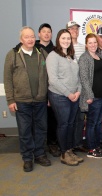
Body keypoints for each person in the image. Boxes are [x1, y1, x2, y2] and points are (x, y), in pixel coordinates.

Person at [4, 26, 51, 172]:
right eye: (26, 37)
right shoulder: (12, 54)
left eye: (32, 36)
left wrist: (48, 96)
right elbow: (7, 79)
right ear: (21, 39)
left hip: (40, 100)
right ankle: (27, 158)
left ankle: (39, 154)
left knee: (41, 129)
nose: (30, 39)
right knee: (25, 131)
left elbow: (48, 76)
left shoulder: (41, 52)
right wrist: (11, 100)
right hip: (22, 101)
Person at [46, 29, 83, 166]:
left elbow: (77, 77)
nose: (66, 41)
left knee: (71, 124)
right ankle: (64, 153)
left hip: (74, 96)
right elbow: (53, 80)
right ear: (58, 39)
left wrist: (78, 91)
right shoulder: (53, 56)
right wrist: (69, 94)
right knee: (63, 124)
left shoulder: (71, 56)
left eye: (68, 38)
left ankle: (69, 150)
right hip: (59, 96)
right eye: (63, 38)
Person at [79, 33, 102, 158]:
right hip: (94, 97)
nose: (93, 45)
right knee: (92, 123)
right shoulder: (84, 58)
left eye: (94, 42)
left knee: (98, 123)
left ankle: (98, 146)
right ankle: (91, 148)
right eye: (90, 43)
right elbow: (84, 79)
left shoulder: (99, 56)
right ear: (86, 45)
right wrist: (89, 95)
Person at [35, 23, 61, 157]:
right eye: (43, 31)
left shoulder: (56, 49)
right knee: (38, 120)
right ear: (39, 34)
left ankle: (52, 143)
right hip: (37, 90)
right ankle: (38, 146)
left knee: (52, 119)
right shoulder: (33, 47)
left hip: (52, 89)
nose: (46, 34)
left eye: (49, 32)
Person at [66, 21, 87, 152]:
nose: (74, 30)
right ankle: (68, 146)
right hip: (68, 89)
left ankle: (78, 143)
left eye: (76, 28)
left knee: (80, 118)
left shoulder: (83, 47)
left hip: (82, 89)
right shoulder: (63, 48)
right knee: (69, 119)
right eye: (71, 28)